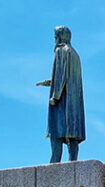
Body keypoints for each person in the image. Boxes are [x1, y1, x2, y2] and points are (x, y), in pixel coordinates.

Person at [36, 26, 85, 163]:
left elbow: (61, 76)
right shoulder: (75, 54)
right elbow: (68, 76)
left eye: (55, 36)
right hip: (73, 102)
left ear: (59, 37)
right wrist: (50, 82)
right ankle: (73, 161)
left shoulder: (60, 50)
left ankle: (55, 162)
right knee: (72, 134)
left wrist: (55, 96)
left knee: (56, 131)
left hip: (62, 100)